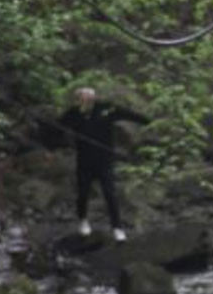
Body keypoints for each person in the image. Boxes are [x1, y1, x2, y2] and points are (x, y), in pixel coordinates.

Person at [58, 87, 149, 242]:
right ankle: (83, 221)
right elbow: (57, 126)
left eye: (88, 97)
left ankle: (117, 228)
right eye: (81, 97)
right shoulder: (73, 113)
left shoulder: (106, 109)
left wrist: (150, 122)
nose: (85, 100)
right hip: (84, 160)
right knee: (83, 193)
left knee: (110, 193)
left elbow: (129, 115)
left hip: (105, 160)